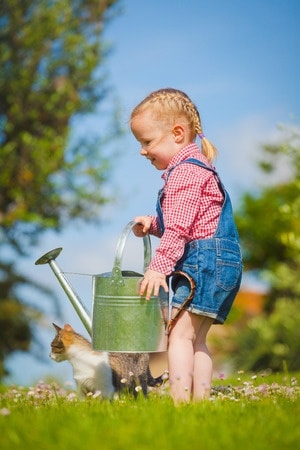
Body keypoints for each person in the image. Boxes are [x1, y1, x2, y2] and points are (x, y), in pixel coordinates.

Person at [131, 88, 242, 404]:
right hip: (219, 261)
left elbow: (179, 228)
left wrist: (158, 268)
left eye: (147, 142)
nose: (142, 151)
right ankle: (199, 402)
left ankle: (180, 404)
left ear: (177, 133)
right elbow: (188, 221)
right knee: (196, 340)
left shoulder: (185, 172)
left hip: (203, 261)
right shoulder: (196, 168)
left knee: (177, 335)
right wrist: (153, 225)